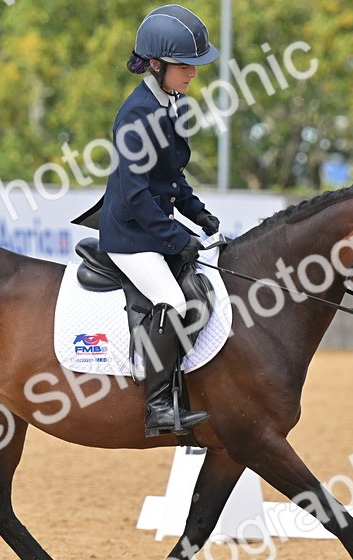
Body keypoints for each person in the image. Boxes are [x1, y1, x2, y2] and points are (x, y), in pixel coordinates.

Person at [96, 4, 222, 437]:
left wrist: (197, 213)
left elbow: (170, 177)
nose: (193, 74)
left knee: (202, 290)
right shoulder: (137, 113)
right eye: (184, 66)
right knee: (174, 300)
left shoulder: (170, 103)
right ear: (155, 64)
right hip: (129, 234)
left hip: (151, 226)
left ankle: (182, 386)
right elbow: (135, 195)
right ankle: (157, 408)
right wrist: (176, 238)